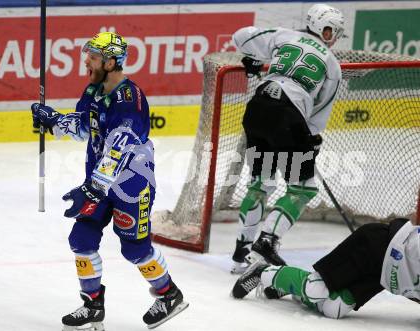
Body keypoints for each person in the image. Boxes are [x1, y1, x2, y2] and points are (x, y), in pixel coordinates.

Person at [31, 31, 188, 330]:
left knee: (135, 249)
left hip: (131, 186)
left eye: (93, 57)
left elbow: (120, 147)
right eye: (87, 54)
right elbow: (83, 127)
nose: (86, 61)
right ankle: (93, 305)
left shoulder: (129, 100)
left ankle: (170, 295)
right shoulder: (92, 92)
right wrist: (53, 120)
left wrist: (92, 187)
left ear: (111, 62)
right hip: (101, 183)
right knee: (81, 239)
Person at [230, 3, 345, 273]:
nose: (332, 37)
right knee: (302, 188)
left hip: (257, 108)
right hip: (287, 117)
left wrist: (255, 57)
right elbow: (318, 117)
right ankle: (267, 241)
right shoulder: (332, 65)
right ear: (318, 26)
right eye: (329, 30)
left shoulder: (284, 35)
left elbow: (241, 37)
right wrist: (310, 140)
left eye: (335, 32)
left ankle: (241, 251)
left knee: (260, 183)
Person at [231, 217, 420, 319]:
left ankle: (294, 287)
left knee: (334, 309)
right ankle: (263, 272)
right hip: (378, 245)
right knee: (316, 289)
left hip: (384, 276)